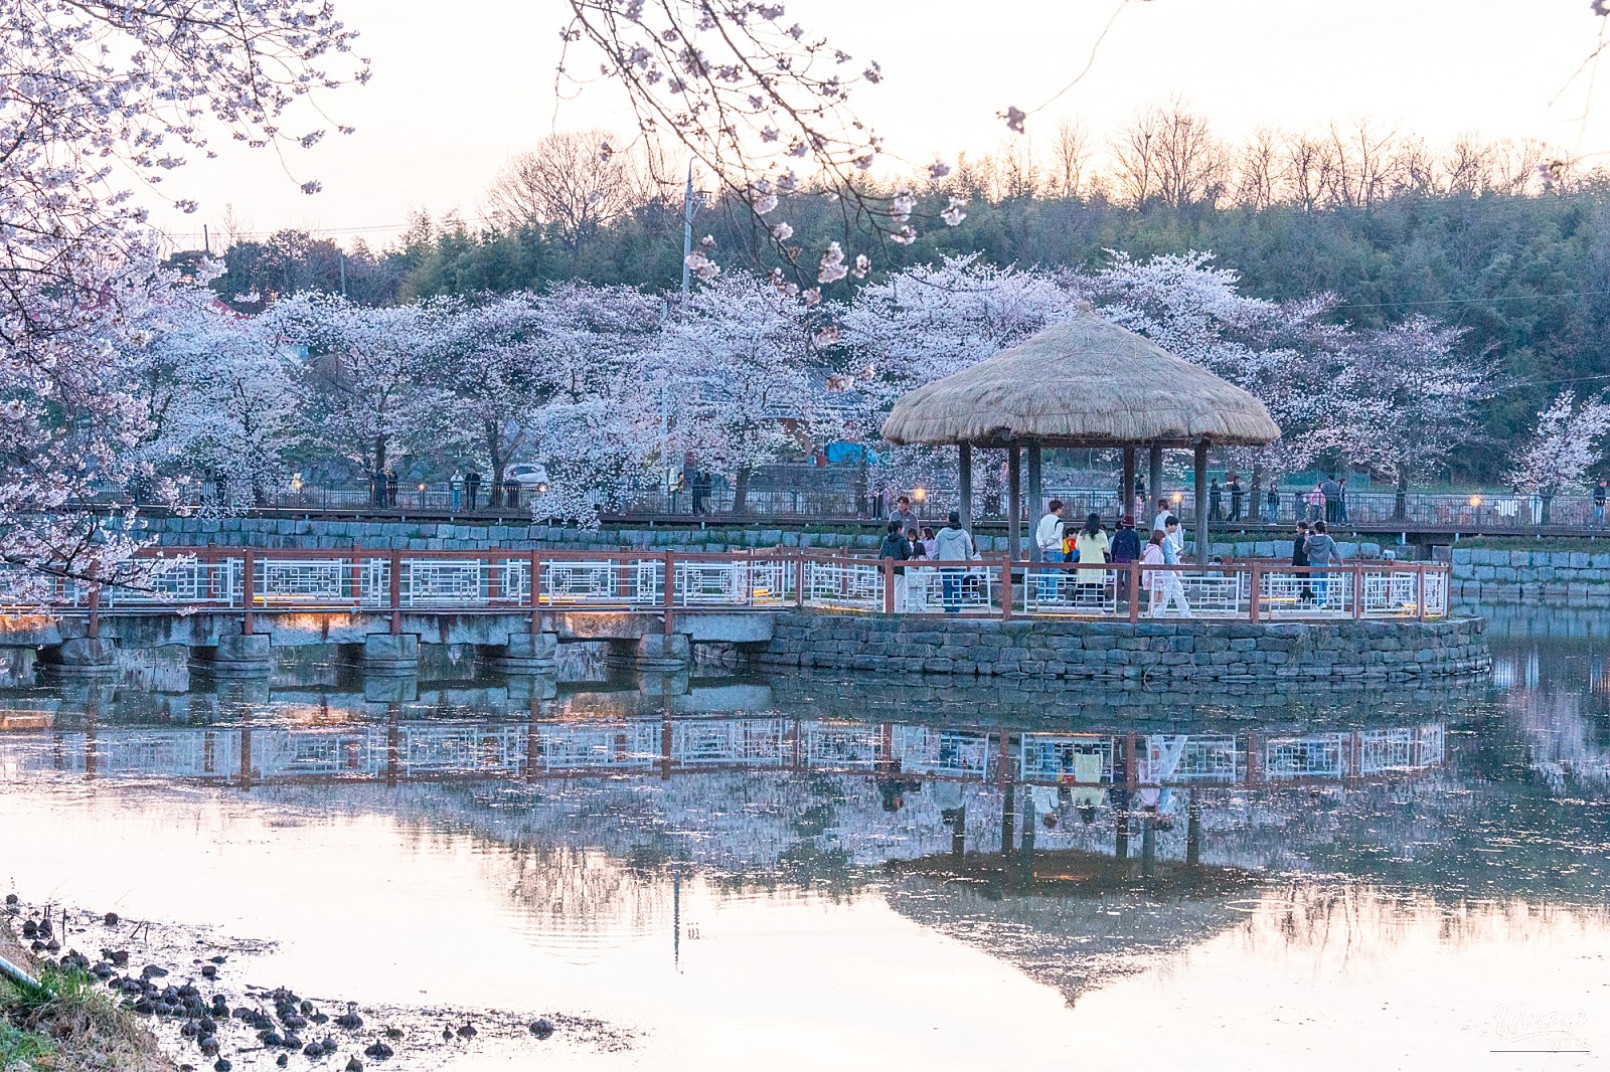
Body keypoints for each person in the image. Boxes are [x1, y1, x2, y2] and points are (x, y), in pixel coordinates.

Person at [933, 510, 976, 614]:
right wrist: (969, 562)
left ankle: (948, 607)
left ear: (948, 519)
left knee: (947, 587)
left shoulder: (941, 533)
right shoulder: (963, 533)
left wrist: (935, 563)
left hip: (944, 564)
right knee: (957, 587)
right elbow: (969, 549)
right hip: (959, 564)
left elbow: (936, 550)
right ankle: (956, 609)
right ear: (958, 519)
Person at [1035, 499, 1068, 604]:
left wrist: (1042, 545)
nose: (1062, 511)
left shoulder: (1042, 520)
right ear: (1058, 509)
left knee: (1043, 574)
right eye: (1061, 509)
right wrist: (1048, 543)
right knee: (1053, 574)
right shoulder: (1059, 522)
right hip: (1055, 550)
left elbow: (1038, 534)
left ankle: (1041, 596)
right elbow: (1056, 536)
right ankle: (1052, 596)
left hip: (1044, 551)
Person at [1073, 512, 1110, 605]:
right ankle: (1101, 605)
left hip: (1084, 561)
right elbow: (1106, 548)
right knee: (1099, 585)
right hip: (1098, 562)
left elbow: (1077, 546)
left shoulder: (1081, 534)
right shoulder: (1101, 534)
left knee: (1082, 584)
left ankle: (1074, 603)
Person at [1305, 520, 1342, 607]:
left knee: (1316, 583)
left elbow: (1305, 550)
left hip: (1314, 563)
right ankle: (1323, 600)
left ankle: (1321, 602)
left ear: (1315, 529)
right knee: (1324, 583)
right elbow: (1334, 551)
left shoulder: (1311, 539)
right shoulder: (1328, 539)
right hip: (1325, 564)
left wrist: (1306, 541)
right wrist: (1340, 562)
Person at [1110, 514, 1142, 611]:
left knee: (1118, 579)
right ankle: (1127, 598)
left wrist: (1113, 559)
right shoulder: (1135, 535)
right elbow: (1138, 549)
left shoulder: (1119, 534)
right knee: (1129, 580)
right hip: (1131, 560)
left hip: (1119, 559)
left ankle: (1116, 597)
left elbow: (1113, 548)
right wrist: (1136, 559)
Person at [878, 521, 911, 612]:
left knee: (887, 591)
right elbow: (908, 555)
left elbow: (881, 555)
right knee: (898, 592)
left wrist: (880, 568)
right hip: (899, 569)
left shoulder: (886, 540)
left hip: (886, 569)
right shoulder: (902, 540)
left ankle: (886, 610)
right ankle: (897, 611)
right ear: (899, 529)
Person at [906, 526, 930, 611]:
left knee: (911, 596)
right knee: (922, 597)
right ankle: (923, 611)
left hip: (911, 580)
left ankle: (911, 611)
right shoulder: (925, 559)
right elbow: (929, 569)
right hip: (922, 580)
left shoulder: (910, 559)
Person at [1291, 519, 1312, 605]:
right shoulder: (1308, 538)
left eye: (1298, 528)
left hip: (1300, 562)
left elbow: (1297, 552)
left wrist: (1294, 563)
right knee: (1305, 580)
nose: (1297, 529)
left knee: (1301, 581)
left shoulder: (1299, 538)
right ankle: (1304, 597)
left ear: (1302, 529)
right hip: (1307, 562)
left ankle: (1310, 596)